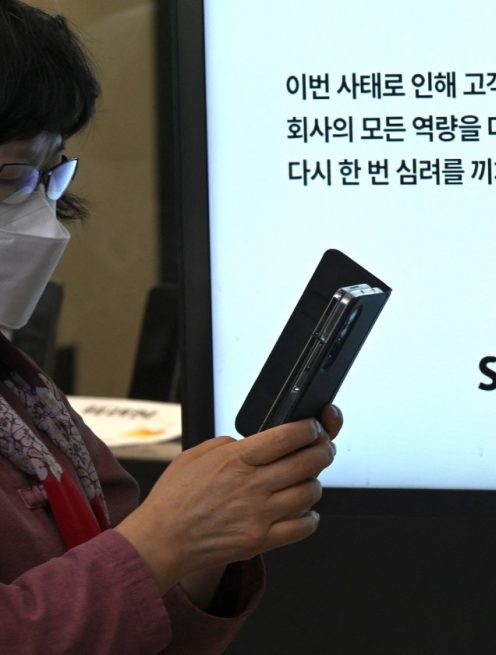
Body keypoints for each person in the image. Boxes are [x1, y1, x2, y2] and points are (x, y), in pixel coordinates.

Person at [0, 1, 340, 652]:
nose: (43, 216)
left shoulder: (22, 388)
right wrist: (166, 538)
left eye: (51, 177)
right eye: (14, 176)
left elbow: (138, 625)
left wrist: (207, 540)